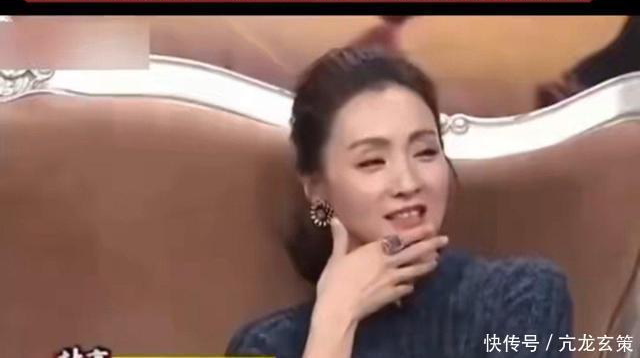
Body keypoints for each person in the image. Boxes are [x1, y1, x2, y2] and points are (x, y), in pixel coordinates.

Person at [226, 47, 573, 358]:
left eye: (425, 152)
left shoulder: (520, 297)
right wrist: (335, 323)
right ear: (317, 189)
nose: (408, 183)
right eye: (372, 161)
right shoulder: (266, 345)